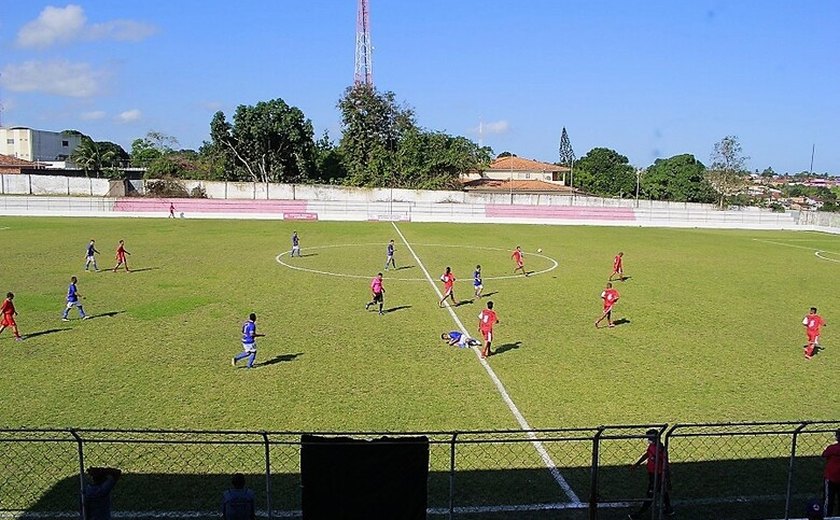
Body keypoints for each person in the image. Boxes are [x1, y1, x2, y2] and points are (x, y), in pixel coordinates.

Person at [628, 429, 674, 519]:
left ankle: (640, 513)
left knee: (650, 494)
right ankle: (669, 509)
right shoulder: (652, 446)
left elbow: (666, 465)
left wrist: (668, 479)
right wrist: (637, 464)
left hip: (658, 475)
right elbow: (647, 454)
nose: (648, 439)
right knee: (662, 492)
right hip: (652, 474)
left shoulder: (661, 450)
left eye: (650, 437)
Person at [823, 429, 840, 516]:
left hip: (830, 478)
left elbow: (824, 454)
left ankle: (827, 517)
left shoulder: (831, 448)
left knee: (829, 500)